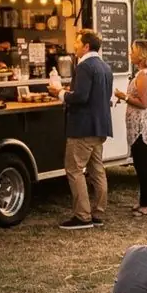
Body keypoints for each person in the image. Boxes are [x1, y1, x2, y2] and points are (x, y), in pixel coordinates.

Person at [49, 30, 113, 231]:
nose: (74, 46)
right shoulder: (105, 67)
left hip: (83, 127)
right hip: (100, 127)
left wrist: (60, 93)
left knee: (75, 170)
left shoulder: (85, 66)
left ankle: (82, 216)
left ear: (86, 46)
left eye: (77, 42)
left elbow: (81, 97)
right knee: (97, 170)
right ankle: (98, 212)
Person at [114, 37, 147, 215]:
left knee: (143, 165)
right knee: (146, 163)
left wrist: (123, 96)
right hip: (143, 123)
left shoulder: (144, 75)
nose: (129, 54)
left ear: (141, 54)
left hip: (142, 125)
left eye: (132, 51)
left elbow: (144, 102)